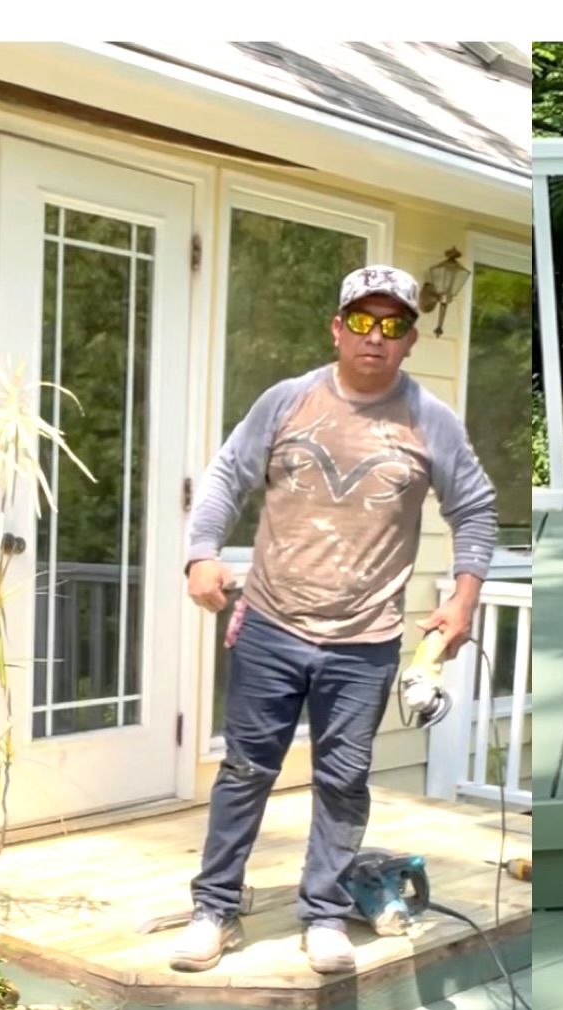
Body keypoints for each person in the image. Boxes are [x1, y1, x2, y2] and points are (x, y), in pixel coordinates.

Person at [170, 265, 497, 974]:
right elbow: (227, 477)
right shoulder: (287, 401)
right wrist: (200, 555)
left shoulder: (429, 421)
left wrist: (463, 597)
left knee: (343, 779)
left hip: (366, 641)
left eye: (392, 325)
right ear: (337, 328)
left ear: (410, 340)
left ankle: (323, 914)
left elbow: (473, 510)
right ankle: (215, 909)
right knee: (246, 771)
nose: (374, 337)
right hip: (271, 628)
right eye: (362, 321)